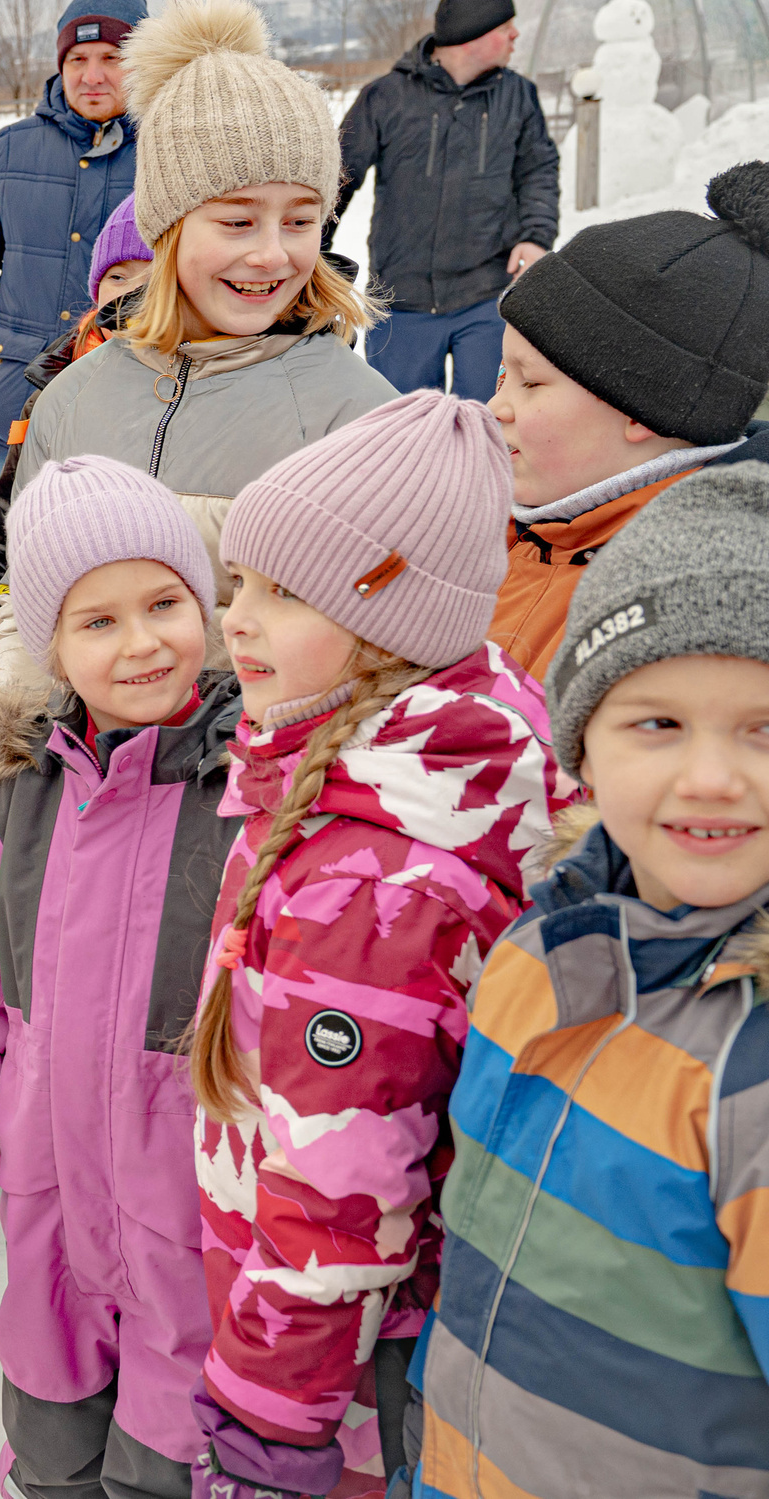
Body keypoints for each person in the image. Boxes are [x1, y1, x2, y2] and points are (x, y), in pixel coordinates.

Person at [185, 391, 566, 1499]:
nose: (236, 621)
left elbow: (339, 1189)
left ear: (393, 620)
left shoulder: (373, 880)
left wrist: (270, 1430)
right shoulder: (414, 761)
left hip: (349, 1369)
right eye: (240, 585)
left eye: (285, 593)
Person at [414, 465, 769, 1499]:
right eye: (656, 724)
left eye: (764, 728)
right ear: (582, 751)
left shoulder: (748, 1067)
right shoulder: (538, 952)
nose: (709, 776)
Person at [0, 456, 241, 1499]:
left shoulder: (255, 786)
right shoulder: (17, 799)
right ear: (49, 645)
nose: (140, 643)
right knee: (50, 1460)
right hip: (54, 1225)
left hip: (197, 1231)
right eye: (96, 622)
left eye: (163, 603)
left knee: (167, 1471)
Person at [0, 0, 397, 679]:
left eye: (300, 221)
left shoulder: (360, 418)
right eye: (238, 221)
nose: (273, 254)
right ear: (167, 226)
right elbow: (26, 604)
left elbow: (381, 645)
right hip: (84, 776)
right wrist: (22, 754)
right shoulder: (73, 395)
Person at [487, 162, 769, 679]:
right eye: (503, 376)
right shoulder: (488, 530)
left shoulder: (683, 607)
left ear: (639, 410)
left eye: (530, 383)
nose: (495, 408)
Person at [0, 0, 148, 483]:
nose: (91, 76)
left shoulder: (174, 153)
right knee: (16, 559)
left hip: (139, 416)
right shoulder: (9, 152)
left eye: (112, 57)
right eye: (77, 58)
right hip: (16, 414)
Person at [335, 0, 561, 401]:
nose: (515, 36)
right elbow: (338, 178)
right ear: (472, 35)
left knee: (489, 422)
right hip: (401, 299)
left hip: (488, 297)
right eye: (506, 27)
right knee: (401, 430)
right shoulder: (386, 97)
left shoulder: (517, 96)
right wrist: (312, 255)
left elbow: (538, 170)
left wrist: (536, 235)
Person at [0, 194, 152, 640]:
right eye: (117, 276)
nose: (131, 293)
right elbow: (10, 521)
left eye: (153, 278)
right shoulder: (57, 383)